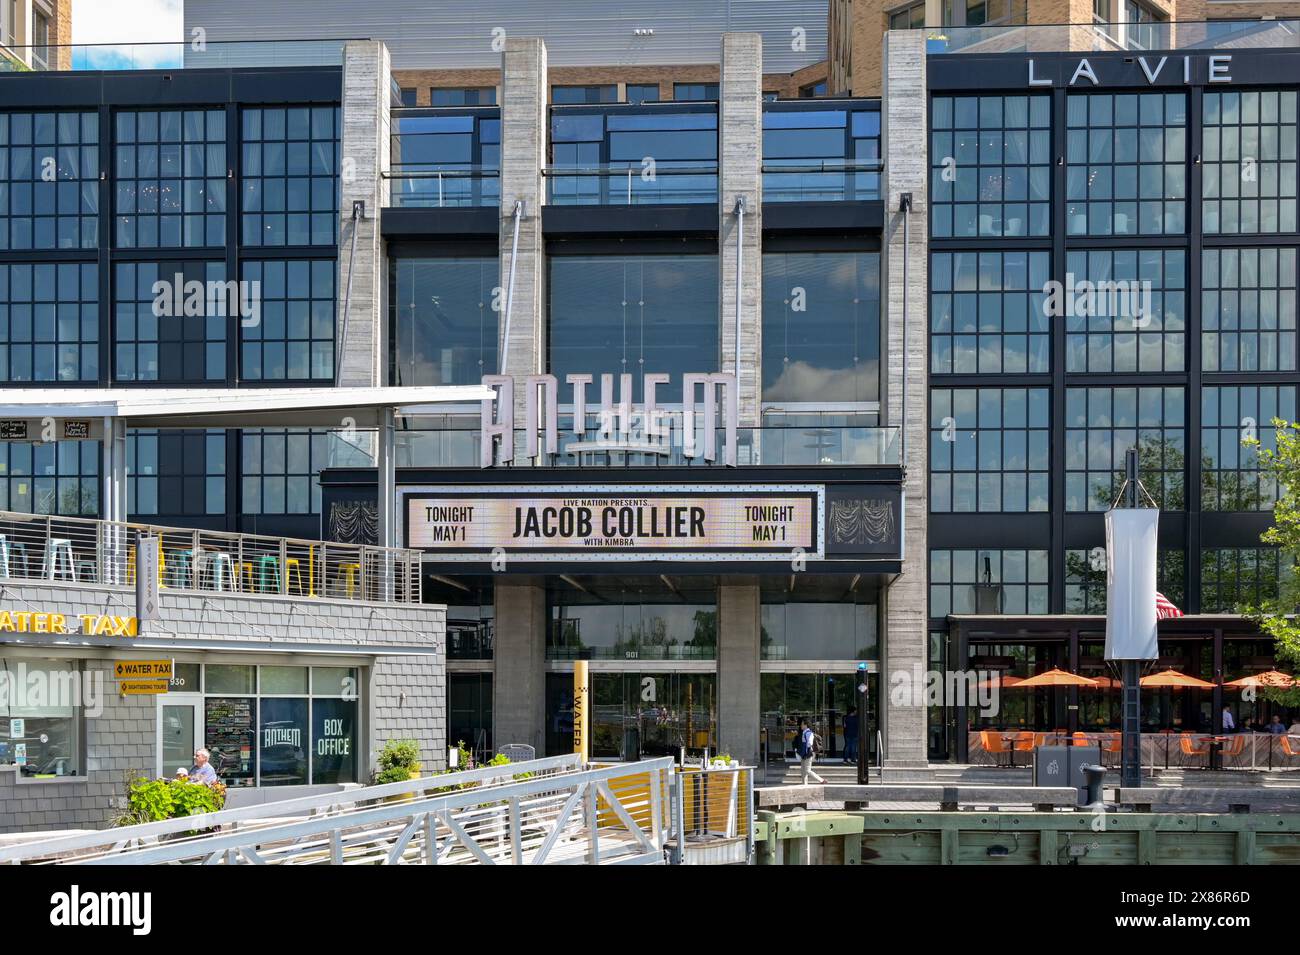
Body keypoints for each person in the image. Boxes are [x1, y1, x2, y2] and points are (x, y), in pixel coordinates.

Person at [795, 718, 824, 785]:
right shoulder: (804, 732)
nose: (801, 726)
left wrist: (807, 748)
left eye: (802, 724)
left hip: (808, 753)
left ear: (806, 725)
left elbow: (810, 743)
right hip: (804, 753)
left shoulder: (808, 733)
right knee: (803, 771)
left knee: (807, 770)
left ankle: (821, 780)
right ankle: (804, 785)